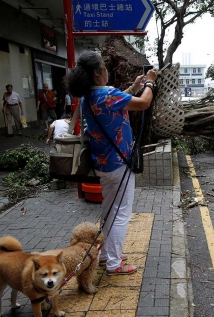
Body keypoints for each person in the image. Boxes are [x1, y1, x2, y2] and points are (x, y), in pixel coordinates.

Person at [64, 51, 158, 276]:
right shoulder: (107, 95)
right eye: (105, 69)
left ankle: (106, 254)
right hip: (119, 163)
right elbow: (144, 103)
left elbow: (117, 102)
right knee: (121, 213)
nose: (107, 72)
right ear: (98, 73)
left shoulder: (89, 97)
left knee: (109, 209)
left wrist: (135, 87)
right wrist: (150, 84)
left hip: (102, 163)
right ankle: (114, 264)